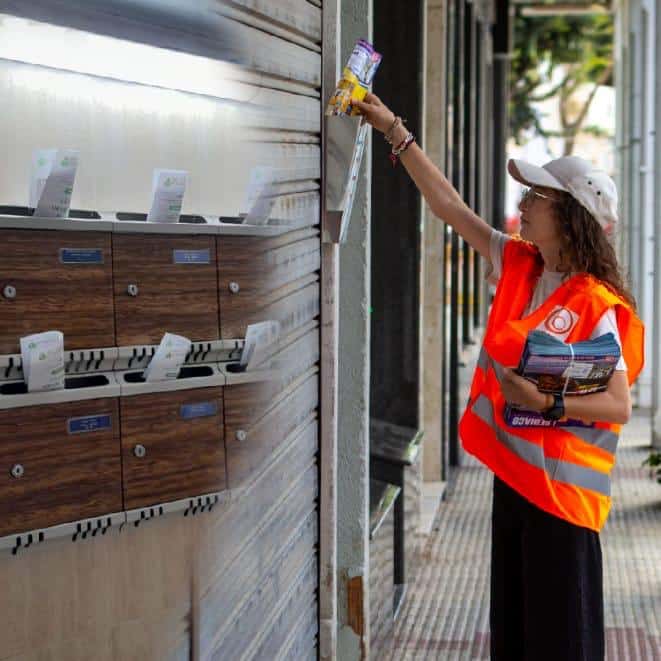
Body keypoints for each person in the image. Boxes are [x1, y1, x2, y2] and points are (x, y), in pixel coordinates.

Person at [354, 92, 645, 661]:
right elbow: (448, 206)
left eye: (537, 195)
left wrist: (543, 398)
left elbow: (618, 406)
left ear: (570, 219)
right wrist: (394, 131)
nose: (525, 202)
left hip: (563, 501)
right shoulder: (519, 263)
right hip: (515, 484)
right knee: (516, 633)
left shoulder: (595, 305)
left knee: (561, 640)